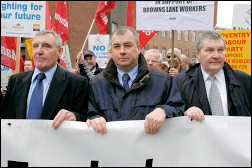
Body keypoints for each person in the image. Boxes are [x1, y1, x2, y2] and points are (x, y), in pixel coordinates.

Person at [86, 26, 185, 135]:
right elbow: (89, 114)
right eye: (116, 47)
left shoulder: (163, 81)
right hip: (113, 150)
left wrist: (163, 110)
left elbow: (179, 108)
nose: (122, 51)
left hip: (151, 150)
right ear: (111, 51)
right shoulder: (96, 84)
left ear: (138, 48)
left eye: (127, 45)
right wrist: (95, 118)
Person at [4, 30, 89, 129]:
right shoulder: (16, 81)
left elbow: (86, 119)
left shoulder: (77, 83)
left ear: (59, 52)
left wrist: (75, 117)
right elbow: (6, 118)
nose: (39, 51)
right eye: (35, 46)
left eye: (46, 46)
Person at [174, 31, 251, 122]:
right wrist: (184, 112)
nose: (216, 55)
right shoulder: (180, 82)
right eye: (210, 50)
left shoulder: (244, 80)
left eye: (220, 50)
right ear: (198, 55)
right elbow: (171, 111)